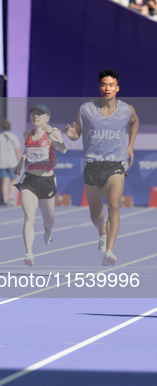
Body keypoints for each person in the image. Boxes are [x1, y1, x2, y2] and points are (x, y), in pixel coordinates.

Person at [65, 68, 139, 266]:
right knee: (96, 215)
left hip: (116, 164)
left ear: (117, 88)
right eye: (104, 85)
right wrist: (71, 134)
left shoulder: (126, 110)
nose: (108, 88)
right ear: (99, 87)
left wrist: (130, 145)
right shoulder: (86, 109)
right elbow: (77, 134)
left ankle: (109, 251)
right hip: (92, 165)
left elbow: (135, 122)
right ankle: (102, 232)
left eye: (111, 85)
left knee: (114, 206)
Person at [14, 104, 67, 266]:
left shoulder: (54, 132)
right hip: (29, 180)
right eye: (33, 114)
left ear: (47, 118)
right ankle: (29, 253)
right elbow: (26, 151)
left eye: (39, 114)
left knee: (48, 218)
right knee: (29, 216)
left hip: (47, 181)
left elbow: (62, 149)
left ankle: (48, 230)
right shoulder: (27, 134)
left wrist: (53, 137)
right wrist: (20, 163)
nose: (35, 116)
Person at [0, 120, 21, 206]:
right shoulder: (14, 137)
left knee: (5, 181)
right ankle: (11, 198)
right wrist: (20, 161)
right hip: (12, 162)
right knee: (13, 180)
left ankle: (5, 200)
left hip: (1, 162)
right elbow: (17, 151)